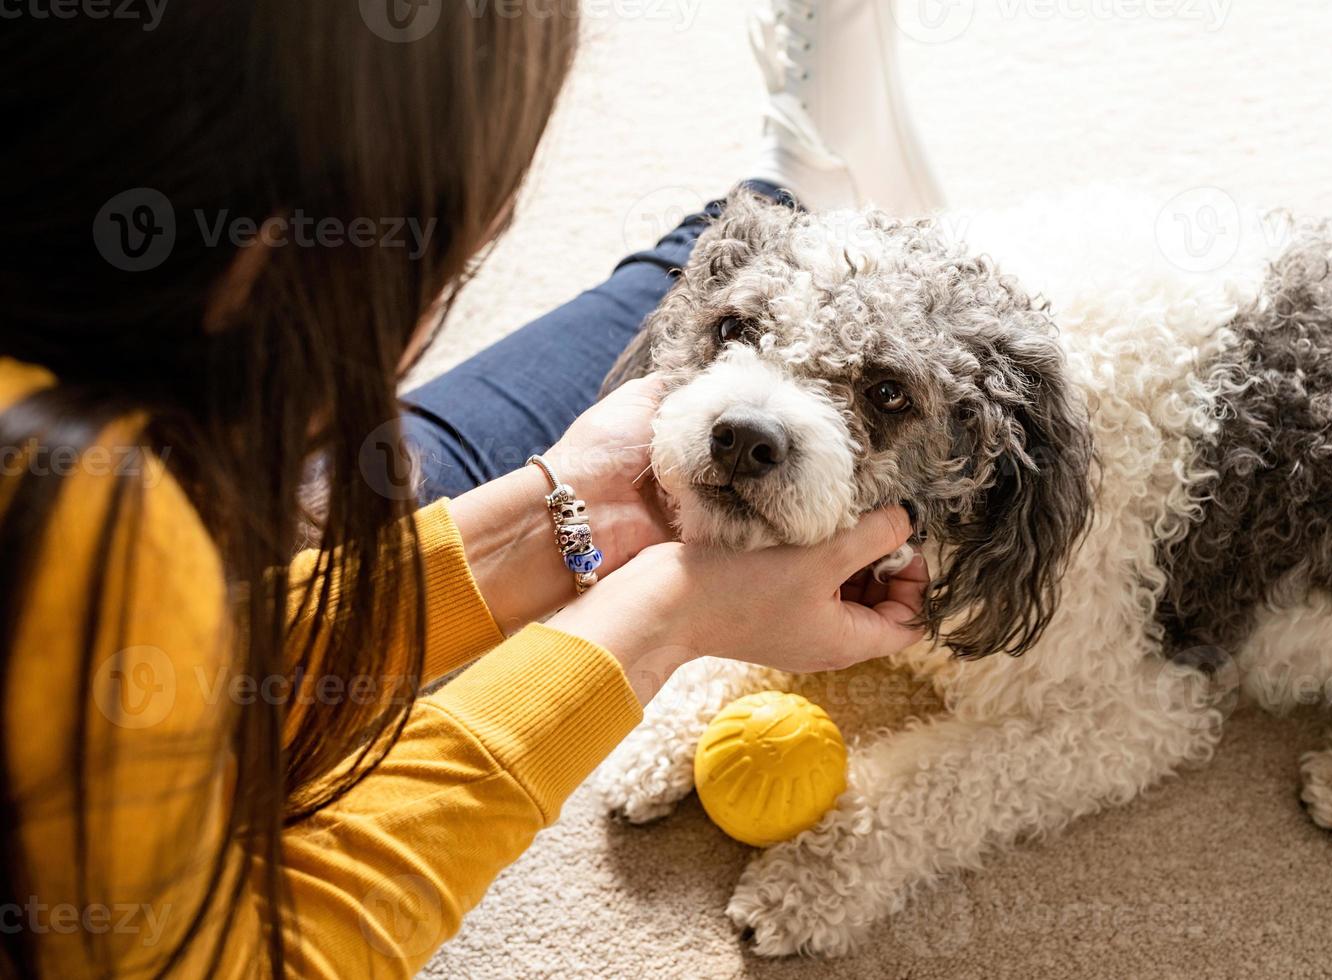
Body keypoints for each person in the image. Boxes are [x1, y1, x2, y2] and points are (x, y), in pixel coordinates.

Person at [0, 1, 943, 976]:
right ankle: (776, 203)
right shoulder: (103, 523)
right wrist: (660, 615)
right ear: (268, 259)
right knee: (380, 475)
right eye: (448, 261)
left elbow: (144, 684)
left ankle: (775, 203)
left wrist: (557, 516)